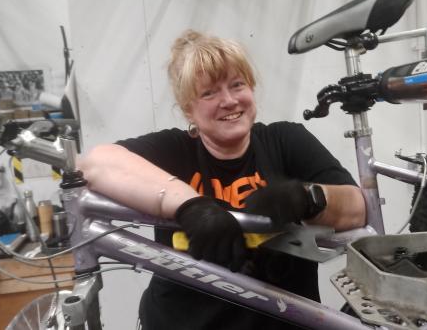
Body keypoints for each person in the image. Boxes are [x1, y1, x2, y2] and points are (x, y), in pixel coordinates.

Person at [78, 29, 366, 330]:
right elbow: (94, 164)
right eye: (209, 93)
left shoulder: (286, 140)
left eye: (237, 85)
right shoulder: (175, 150)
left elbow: (357, 207)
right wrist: (191, 206)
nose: (228, 101)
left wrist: (306, 198)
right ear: (188, 108)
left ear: (252, 89)